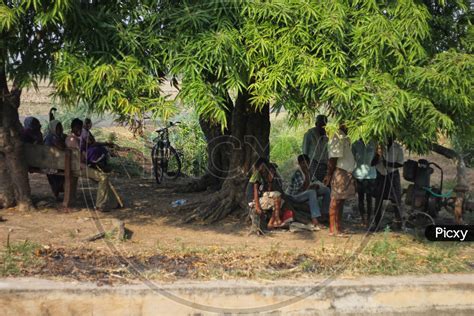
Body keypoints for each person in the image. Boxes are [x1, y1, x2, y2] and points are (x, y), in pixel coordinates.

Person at [66, 118, 119, 212]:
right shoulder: (73, 140)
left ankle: (113, 202)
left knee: (103, 178)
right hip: (79, 167)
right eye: (78, 128)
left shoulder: (72, 138)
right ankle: (100, 205)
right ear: (73, 128)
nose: (80, 130)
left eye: (80, 128)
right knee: (103, 178)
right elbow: (80, 158)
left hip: (79, 166)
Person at [324, 123, 356, 237]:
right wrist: (329, 174)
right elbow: (333, 158)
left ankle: (338, 227)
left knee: (341, 200)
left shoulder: (344, 136)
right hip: (340, 172)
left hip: (346, 172)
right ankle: (333, 229)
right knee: (335, 200)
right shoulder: (337, 135)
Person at [287, 154, 330, 229]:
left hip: (304, 193)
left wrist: (316, 185)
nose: (305, 165)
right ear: (299, 164)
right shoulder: (298, 173)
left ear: (309, 163)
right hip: (295, 196)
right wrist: (307, 177)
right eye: (303, 163)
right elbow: (302, 189)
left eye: (306, 163)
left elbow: (314, 181)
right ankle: (315, 220)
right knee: (311, 192)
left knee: (326, 190)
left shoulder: (309, 171)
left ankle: (324, 214)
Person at [371, 137, 405, 231]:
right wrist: (378, 155)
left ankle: (399, 225)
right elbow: (372, 163)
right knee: (378, 201)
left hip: (392, 176)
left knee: (395, 200)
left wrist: (388, 164)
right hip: (381, 175)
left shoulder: (398, 148)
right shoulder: (379, 147)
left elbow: (400, 163)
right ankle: (377, 224)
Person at [247, 158, 284, 229]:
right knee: (278, 197)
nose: (264, 168)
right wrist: (257, 206)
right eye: (262, 166)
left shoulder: (263, 175)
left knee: (280, 200)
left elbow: (268, 191)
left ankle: (271, 222)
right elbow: (255, 190)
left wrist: (270, 180)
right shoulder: (256, 174)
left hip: (260, 197)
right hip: (253, 200)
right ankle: (275, 221)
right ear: (258, 166)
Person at [352, 139, 377, 226]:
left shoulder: (373, 143)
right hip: (359, 175)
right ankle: (363, 218)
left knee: (369, 199)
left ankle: (369, 218)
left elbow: (376, 158)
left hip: (371, 175)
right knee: (360, 198)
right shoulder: (355, 143)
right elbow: (352, 159)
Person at [43, 120, 66, 199]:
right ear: (53, 129)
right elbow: (62, 147)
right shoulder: (52, 137)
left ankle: (56, 191)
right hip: (51, 164)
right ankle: (57, 191)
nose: (60, 130)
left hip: (51, 163)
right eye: (58, 128)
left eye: (60, 127)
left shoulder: (51, 136)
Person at [303, 115, 329, 182]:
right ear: (316, 124)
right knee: (314, 183)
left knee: (324, 183)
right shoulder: (309, 134)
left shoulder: (327, 135)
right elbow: (305, 151)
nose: (322, 127)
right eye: (320, 124)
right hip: (313, 163)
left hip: (324, 164)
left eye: (324, 125)